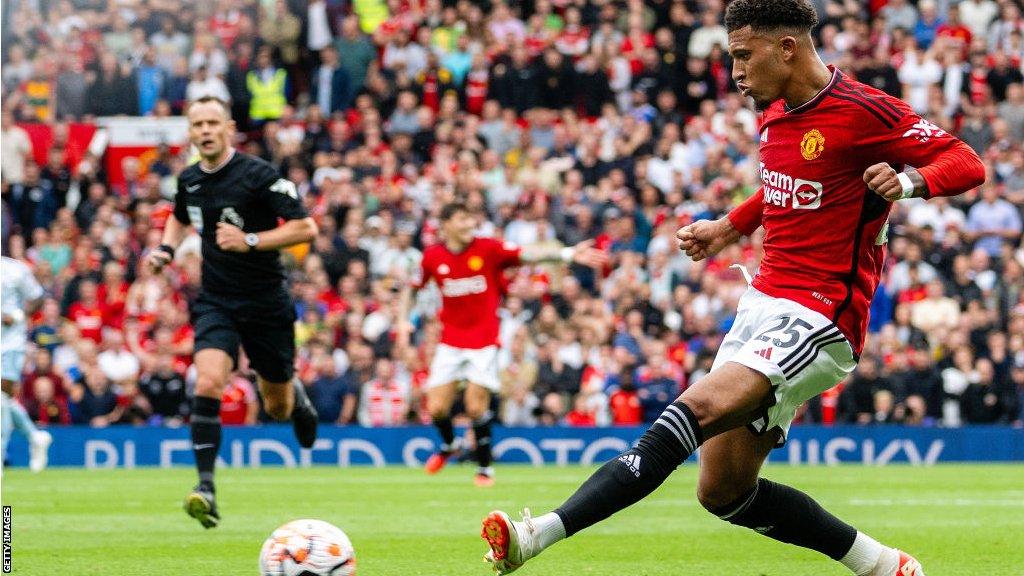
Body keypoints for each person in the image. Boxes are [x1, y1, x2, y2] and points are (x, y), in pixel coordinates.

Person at [480, 1, 985, 575]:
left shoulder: (864, 110)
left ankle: (536, 535)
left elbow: (966, 161)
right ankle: (882, 565)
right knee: (723, 492)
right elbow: (782, 187)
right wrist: (729, 227)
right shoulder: (772, 111)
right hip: (764, 302)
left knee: (691, 408)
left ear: (786, 48)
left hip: (822, 316)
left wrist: (910, 179)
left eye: (744, 55)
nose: (736, 70)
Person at [145, 96, 319, 529]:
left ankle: (295, 398)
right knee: (206, 380)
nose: (204, 130)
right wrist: (167, 248)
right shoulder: (188, 179)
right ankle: (206, 488)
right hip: (217, 300)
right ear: (190, 131)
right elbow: (179, 216)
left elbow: (306, 227)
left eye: (212, 123)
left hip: (265, 301)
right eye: (197, 123)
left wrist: (251, 241)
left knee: (276, 406)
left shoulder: (258, 175)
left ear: (229, 128)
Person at [401, 201, 606, 487]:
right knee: (436, 409)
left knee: (475, 406)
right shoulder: (432, 257)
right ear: (446, 224)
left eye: (471, 218)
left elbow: (529, 254)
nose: (469, 224)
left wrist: (567, 253)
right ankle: (449, 446)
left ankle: (485, 468)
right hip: (450, 341)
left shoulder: (488, 248)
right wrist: (402, 322)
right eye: (462, 219)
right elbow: (411, 289)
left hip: (484, 341)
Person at [1, 256, 53, 473]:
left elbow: (37, 297)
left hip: (9, 342)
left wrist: (18, 315)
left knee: (2, 397)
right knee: (4, 400)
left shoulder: (14, 269)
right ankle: (35, 436)